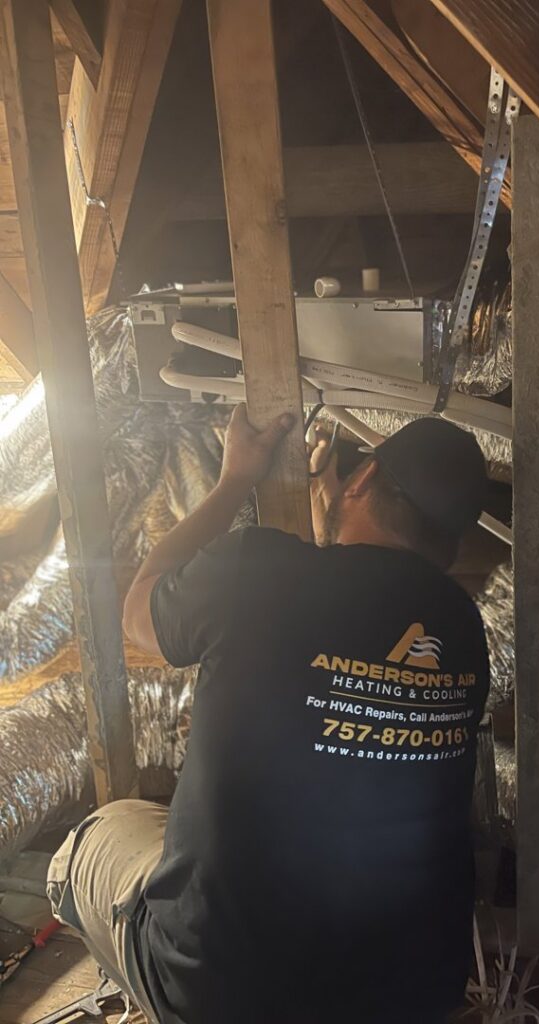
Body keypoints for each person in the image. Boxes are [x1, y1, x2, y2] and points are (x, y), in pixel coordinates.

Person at [47, 407, 491, 1024]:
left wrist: (235, 481)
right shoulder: (464, 629)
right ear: (451, 540)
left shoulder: (257, 569)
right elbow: (360, 607)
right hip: (410, 1000)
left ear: (362, 479)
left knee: (94, 839)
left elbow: (139, 612)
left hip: (224, 997)